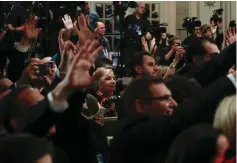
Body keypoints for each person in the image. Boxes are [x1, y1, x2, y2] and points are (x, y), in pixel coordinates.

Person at [123, 2, 150, 75]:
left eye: (144, 8)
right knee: (128, 69)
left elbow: (147, 34)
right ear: (137, 7)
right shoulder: (129, 18)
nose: (143, 9)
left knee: (138, 68)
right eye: (141, 7)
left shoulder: (146, 21)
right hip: (128, 48)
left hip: (139, 48)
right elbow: (123, 31)